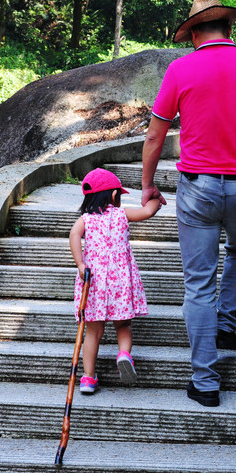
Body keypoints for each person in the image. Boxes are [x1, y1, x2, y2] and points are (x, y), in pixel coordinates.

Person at [141, 0, 236, 408]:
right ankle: (226, 321)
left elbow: (154, 136)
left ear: (192, 34)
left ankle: (205, 382)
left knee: (198, 284)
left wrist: (148, 184)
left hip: (198, 189)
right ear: (228, 28)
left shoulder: (180, 68)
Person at [69, 167, 161, 394]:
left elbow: (73, 235)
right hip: (120, 281)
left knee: (93, 332)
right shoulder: (123, 214)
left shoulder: (86, 219)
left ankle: (88, 378)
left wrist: (81, 264)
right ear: (113, 196)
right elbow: (148, 211)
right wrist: (156, 198)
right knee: (123, 324)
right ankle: (124, 354)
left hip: (95, 282)